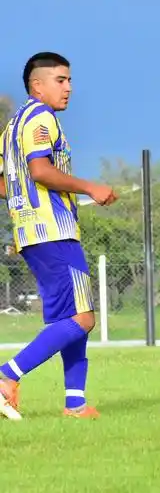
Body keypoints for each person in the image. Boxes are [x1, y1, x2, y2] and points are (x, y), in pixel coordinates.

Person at [0, 52, 117, 420]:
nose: (69, 88)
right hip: (53, 230)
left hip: (32, 232)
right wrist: (89, 187)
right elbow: (40, 170)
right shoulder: (41, 118)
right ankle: (6, 376)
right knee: (83, 318)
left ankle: (75, 403)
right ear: (37, 85)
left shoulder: (11, 126)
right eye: (60, 80)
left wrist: (21, 206)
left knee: (68, 319)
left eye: (69, 80)